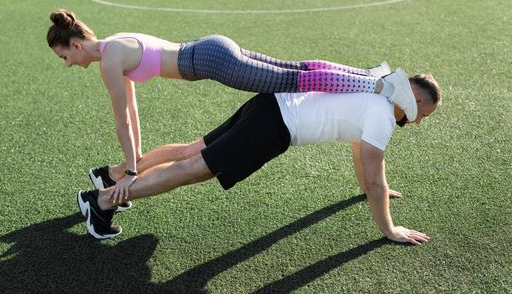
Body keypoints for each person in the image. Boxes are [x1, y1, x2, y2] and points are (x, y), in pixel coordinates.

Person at [47, 8, 417, 211]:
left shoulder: (110, 60)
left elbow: (121, 118)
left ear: (76, 45)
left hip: (213, 62)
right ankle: (373, 78)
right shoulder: (114, 46)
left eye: (64, 56)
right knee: (299, 70)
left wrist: (131, 169)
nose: (67, 64)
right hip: (213, 51)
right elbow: (132, 114)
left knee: (300, 78)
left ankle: (376, 82)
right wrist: (131, 166)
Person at [77, 73, 441, 245]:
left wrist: (373, 189)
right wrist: (390, 229)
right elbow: (374, 176)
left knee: (193, 153)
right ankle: (103, 201)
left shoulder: (376, 88)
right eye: (425, 115)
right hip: (274, 127)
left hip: (270, 104)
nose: (420, 122)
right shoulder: (382, 114)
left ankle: (111, 179)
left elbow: (362, 155)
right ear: (417, 102)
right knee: (194, 168)